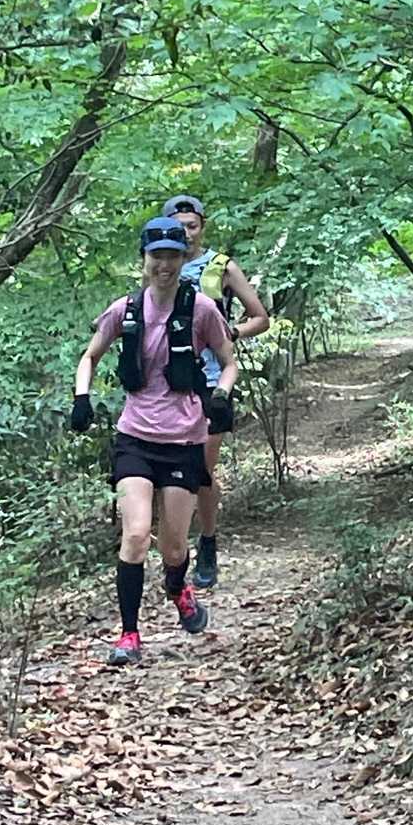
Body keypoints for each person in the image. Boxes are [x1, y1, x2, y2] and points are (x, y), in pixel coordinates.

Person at [70, 216, 237, 666]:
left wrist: (221, 395)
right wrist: (82, 397)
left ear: (184, 259)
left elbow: (228, 361)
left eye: (173, 256)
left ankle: (178, 588)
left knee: (174, 547)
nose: (164, 265)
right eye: (156, 256)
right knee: (136, 535)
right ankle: (129, 634)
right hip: (135, 439)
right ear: (143, 259)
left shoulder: (201, 309)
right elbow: (90, 356)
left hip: (184, 440)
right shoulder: (124, 310)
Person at [162, 193, 269, 588]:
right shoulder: (159, 266)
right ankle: (175, 551)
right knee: (169, 470)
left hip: (213, 380)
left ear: (202, 226)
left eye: (192, 226)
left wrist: (229, 332)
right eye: (179, 228)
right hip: (168, 384)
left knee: (201, 468)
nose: (187, 234)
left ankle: (207, 540)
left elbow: (261, 317)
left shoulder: (222, 267)